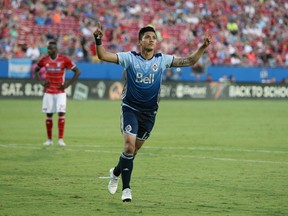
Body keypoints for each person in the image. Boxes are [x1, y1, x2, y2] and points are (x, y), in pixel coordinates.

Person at [93, 23, 212, 202]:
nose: (151, 40)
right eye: (148, 37)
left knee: (132, 153)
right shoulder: (129, 58)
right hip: (130, 108)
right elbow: (102, 55)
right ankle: (126, 189)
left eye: (154, 38)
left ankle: (115, 172)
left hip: (149, 114)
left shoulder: (162, 60)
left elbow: (189, 61)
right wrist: (98, 39)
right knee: (128, 146)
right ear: (140, 41)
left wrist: (202, 47)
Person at [34, 41, 81, 146]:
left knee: (61, 113)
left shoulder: (64, 59)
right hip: (49, 92)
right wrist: (41, 82)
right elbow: (36, 70)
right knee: (49, 114)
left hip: (60, 92)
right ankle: (49, 140)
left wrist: (68, 84)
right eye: (48, 49)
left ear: (56, 50)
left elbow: (77, 71)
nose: (49, 50)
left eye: (51, 49)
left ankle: (60, 139)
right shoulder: (44, 60)